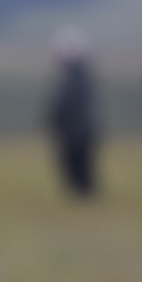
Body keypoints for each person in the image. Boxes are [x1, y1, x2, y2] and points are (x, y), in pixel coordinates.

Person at [45, 26, 98, 197]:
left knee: (77, 163)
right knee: (80, 163)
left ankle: (82, 195)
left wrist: (54, 118)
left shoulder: (73, 78)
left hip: (74, 130)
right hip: (81, 128)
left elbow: (65, 103)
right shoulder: (82, 76)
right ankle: (83, 195)